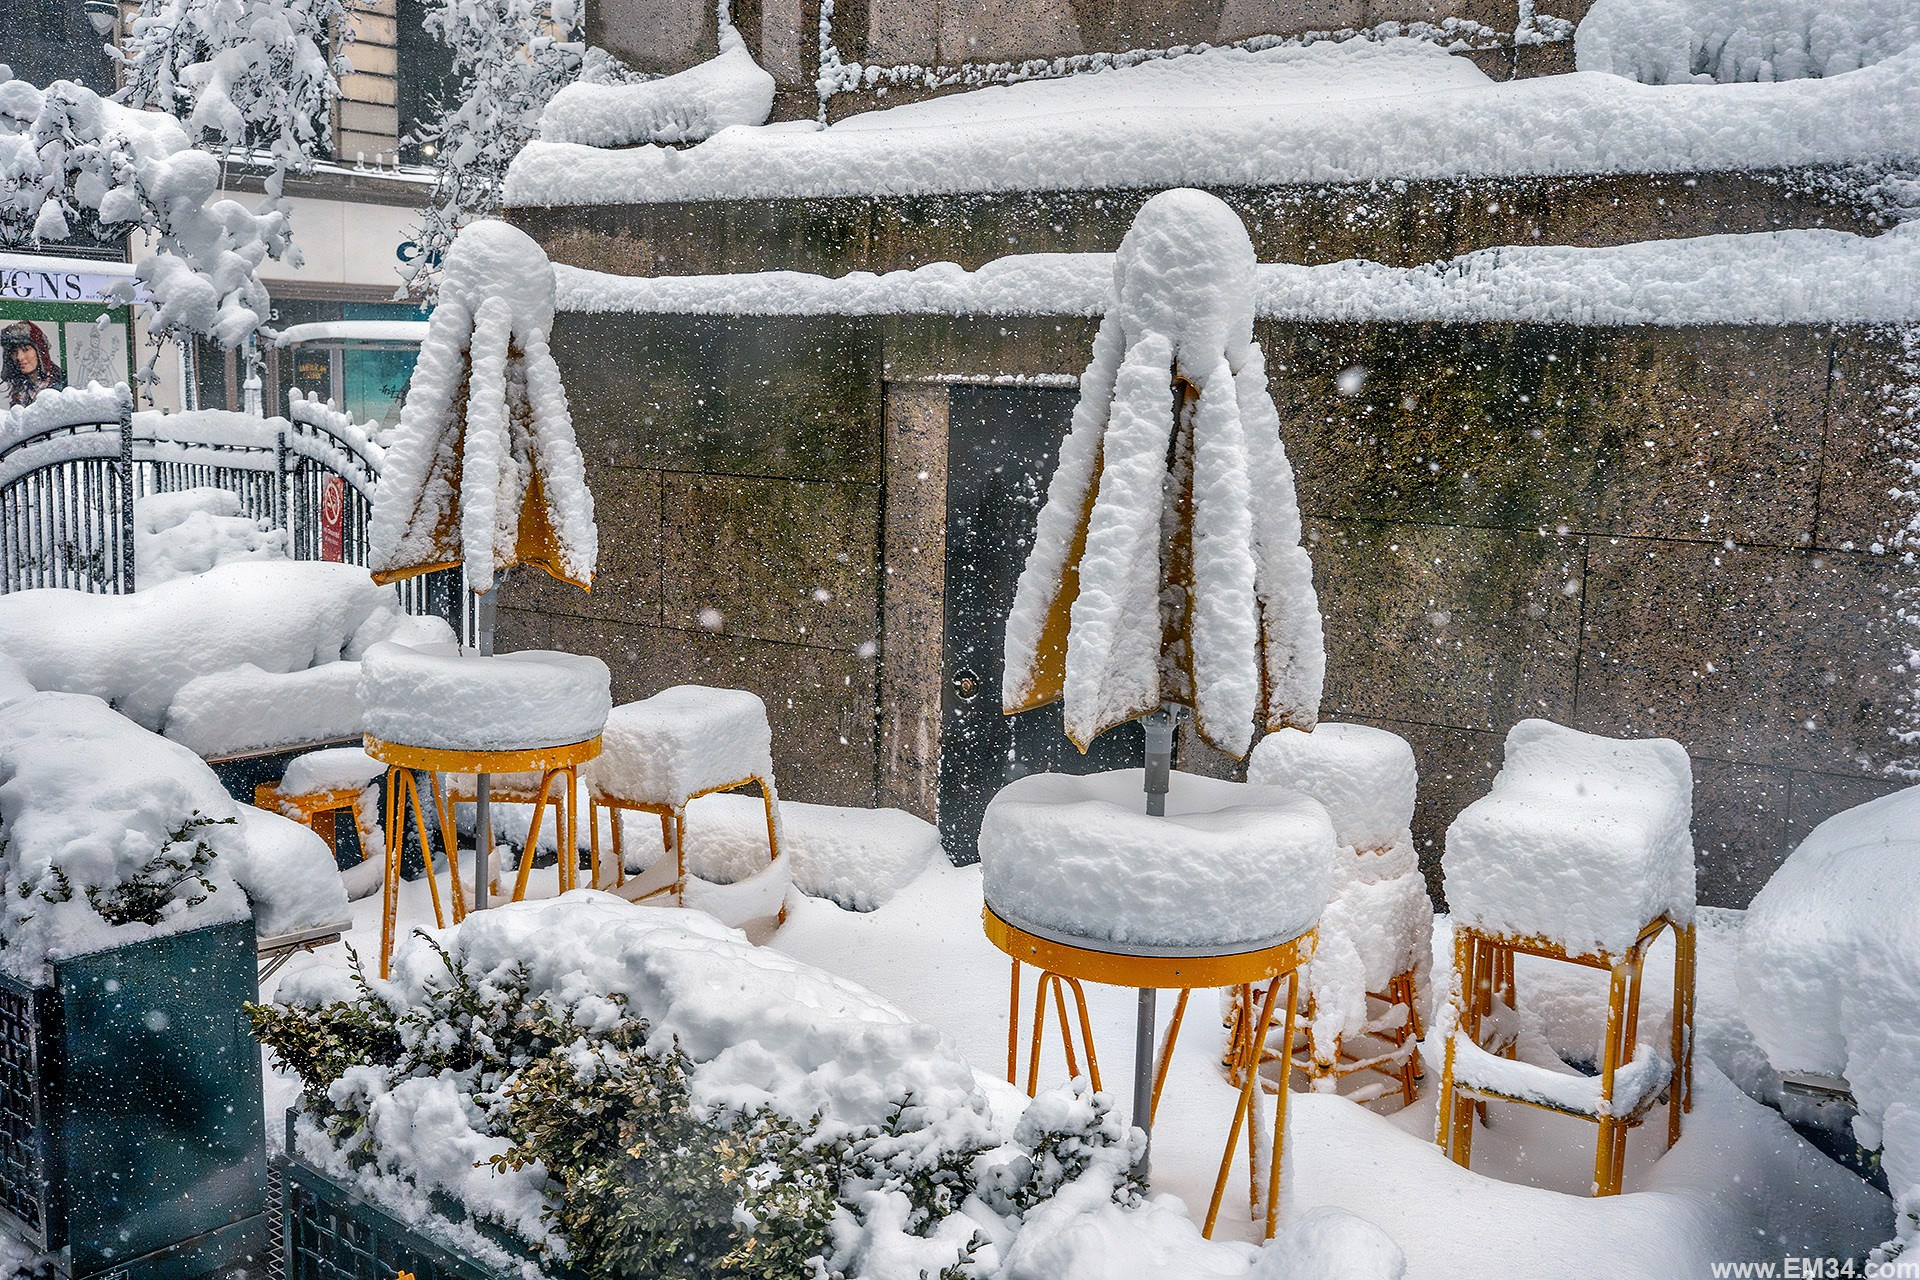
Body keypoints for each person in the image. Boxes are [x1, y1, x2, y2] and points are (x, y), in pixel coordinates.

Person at [2, 321, 67, 407]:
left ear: (40, 351)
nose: (19, 357)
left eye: (26, 349)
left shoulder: (63, 384)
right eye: (14, 351)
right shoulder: (20, 389)